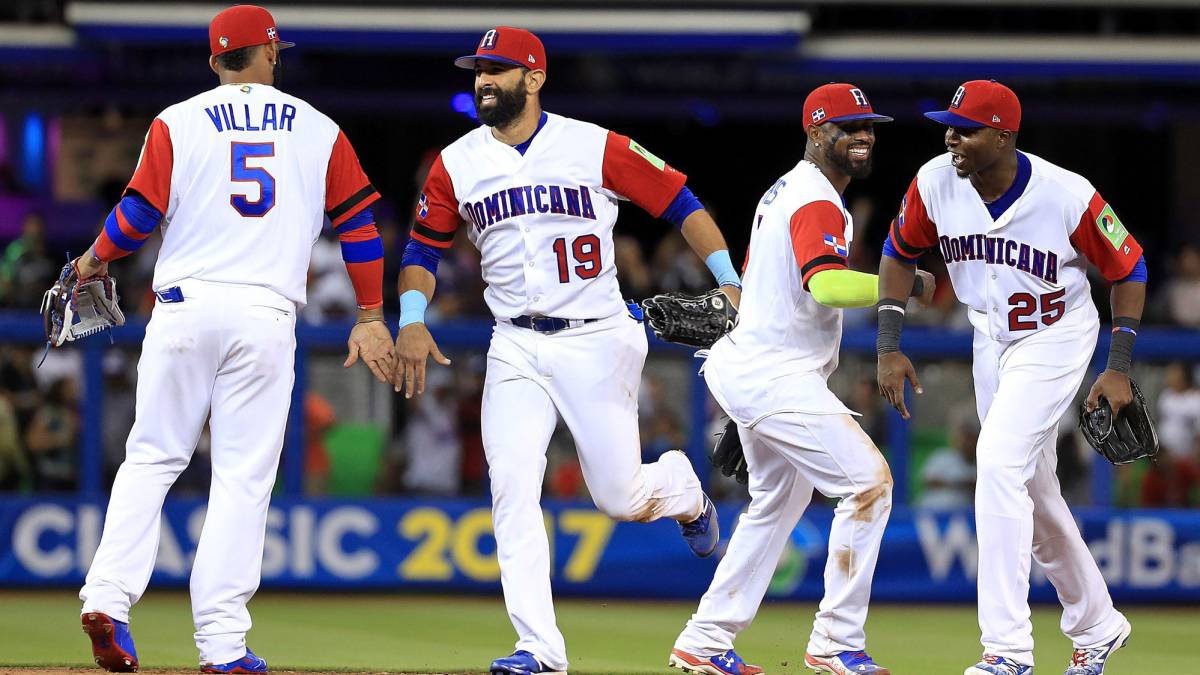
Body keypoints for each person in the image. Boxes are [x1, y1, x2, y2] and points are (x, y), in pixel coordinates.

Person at [392, 26, 741, 675]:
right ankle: (540, 649)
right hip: (514, 344)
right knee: (512, 490)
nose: (483, 80)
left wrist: (730, 280)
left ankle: (683, 489)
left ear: (534, 77)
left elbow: (678, 198)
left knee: (620, 496)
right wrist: (412, 316)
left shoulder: (591, 144)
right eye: (479, 70)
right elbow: (421, 248)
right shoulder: (457, 161)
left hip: (596, 337)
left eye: (497, 70)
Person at [74, 6, 394, 671]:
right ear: (269, 52)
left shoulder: (178, 119)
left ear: (215, 60)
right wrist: (369, 312)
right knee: (242, 479)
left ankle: (107, 595)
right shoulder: (318, 128)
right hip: (264, 313)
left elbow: (137, 215)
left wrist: (95, 257)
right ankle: (221, 644)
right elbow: (359, 227)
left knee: (154, 457)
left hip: (184, 308)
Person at [876, 80, 1145, 675]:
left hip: (1055, 335)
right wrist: (889, 345)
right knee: (1033, 488)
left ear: (1003, 135)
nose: (951, 137)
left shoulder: (1065, 194)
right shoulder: (934, 182)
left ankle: (1007, 651)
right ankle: (1098, 624)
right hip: (988, 338)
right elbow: (898, 254)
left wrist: (1119, 365)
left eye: (965, 128)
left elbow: (1130, 267)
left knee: (996, 462)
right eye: (947, 125)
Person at [670, 83, 932, 675]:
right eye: (848, 127)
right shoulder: (814, 198)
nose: (863, 136)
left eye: (869, 126)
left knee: (776, 505)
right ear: (816, 133)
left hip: (758, 367)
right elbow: (827, 285)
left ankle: (705, 640)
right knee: (869, 483)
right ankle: (836, 642)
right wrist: (900, 285)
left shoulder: (785, 190)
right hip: (773, 374)